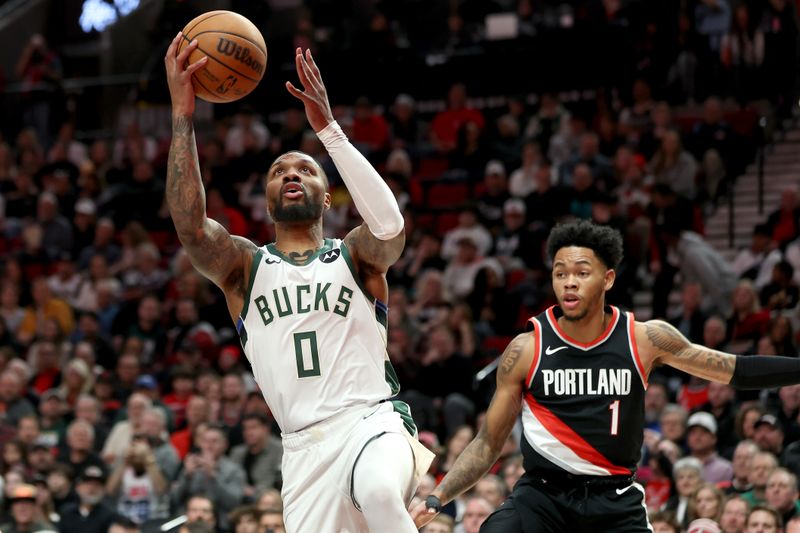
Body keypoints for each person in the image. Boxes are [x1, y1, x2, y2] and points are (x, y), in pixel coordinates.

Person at [165, 35, 431, 532]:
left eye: (305, 169)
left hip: (372, 420)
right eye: (278, 171)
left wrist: (330, 133)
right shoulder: (245, 268)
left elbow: (390, 227)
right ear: (266, 199)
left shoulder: (354, 254)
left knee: (377, 491)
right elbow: (191, 227)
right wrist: (183, 115)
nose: (291, 174)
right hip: (302, 449)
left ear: (327, 196)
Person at [412, 219, 800, 531]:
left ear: (608, 279)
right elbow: (487, 443)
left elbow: (736, 370)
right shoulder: (526, 347)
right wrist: (438, 496)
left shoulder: (644, 338)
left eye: (582, 272)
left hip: (614, 500)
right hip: (543, 497)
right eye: (560, 273)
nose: (569, 282)